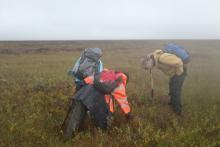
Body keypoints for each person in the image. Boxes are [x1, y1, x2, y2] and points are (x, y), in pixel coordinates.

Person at [61, 69, 132, 139]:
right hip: (94, 101)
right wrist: (128, 114)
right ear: (126, 79)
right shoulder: (119, 82)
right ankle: (98, 137)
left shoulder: (106, 74)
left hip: (83, 93)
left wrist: (79, 87)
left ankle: (67, 138)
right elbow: (123, 101)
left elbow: (89, 79)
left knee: (76, 117)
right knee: (102, 122)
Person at [141, 44, 188, 115]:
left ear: (148, 61)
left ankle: (177, 112)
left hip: (179, 73)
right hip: (174, 74)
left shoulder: (161, 58)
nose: (147, 69)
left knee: (175, 92)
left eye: (146, 67)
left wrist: (178, 75)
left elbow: (178, 62)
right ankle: (172, 104)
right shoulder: (154, 58)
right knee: (172, 89)